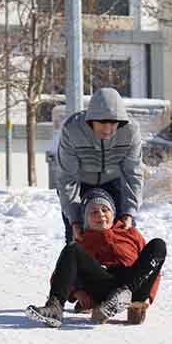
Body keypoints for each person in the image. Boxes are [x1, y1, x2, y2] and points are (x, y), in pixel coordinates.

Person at [26, 188, 166, 328]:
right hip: (105, 286)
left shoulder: (130, 233)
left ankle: (126, 296)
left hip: (134, 283)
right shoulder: (84, 240)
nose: (101, 215)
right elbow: (59, 275)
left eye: (105, 210)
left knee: (158, 245)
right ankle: (54, 308)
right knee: (71, 249)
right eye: (94, 212)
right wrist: (77, 292)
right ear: (86, 219)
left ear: (113, 213)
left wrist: (147, 296)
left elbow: (154, 268)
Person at [56, 87, 143, 244]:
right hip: (80, 184)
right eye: (102, 122)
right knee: (78, 238)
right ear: (91, 120)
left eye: (113, 123)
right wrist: (75, 221)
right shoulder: (72, 129)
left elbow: (133, 173)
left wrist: (128, 214)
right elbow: (67, 177)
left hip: (114, 182)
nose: (108, 129)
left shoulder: (131, 131)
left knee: (123, 235)